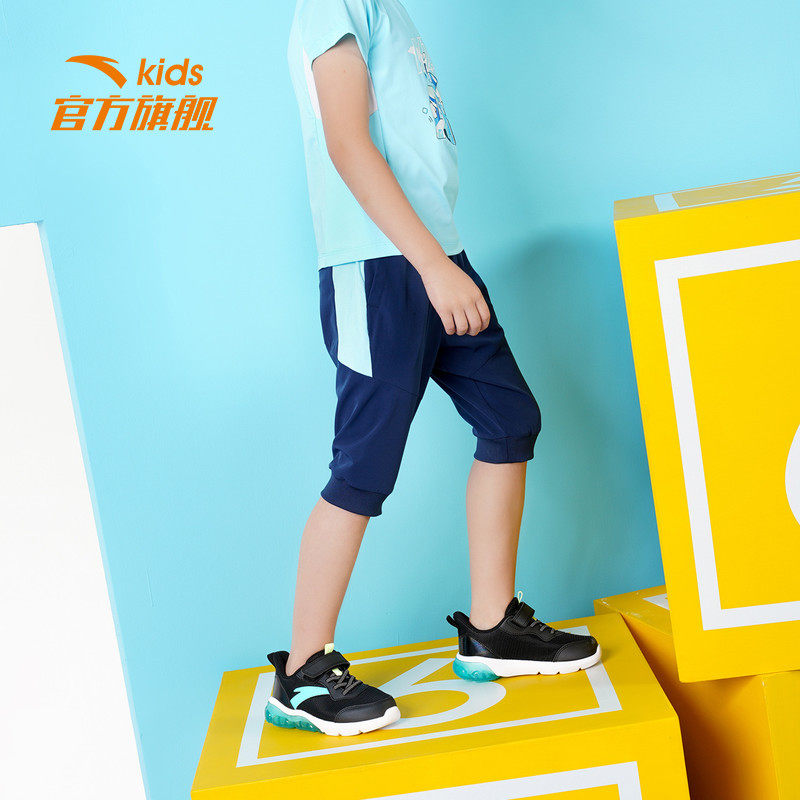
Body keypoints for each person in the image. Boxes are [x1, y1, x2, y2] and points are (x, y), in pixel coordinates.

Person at [265, 0, 601, 737]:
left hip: (433, 253)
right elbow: (347, 142)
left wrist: (441, 260)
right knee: (363, 466)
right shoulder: (332, 4)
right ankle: (302, 670)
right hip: (380, 266)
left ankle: (492, 625)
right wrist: (431, 266)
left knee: (509, 420)